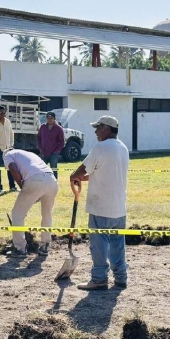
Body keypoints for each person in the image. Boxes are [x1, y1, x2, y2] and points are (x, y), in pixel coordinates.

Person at [69, 115, 130, 291]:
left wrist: (74, 177)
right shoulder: (123, 148)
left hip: (101, 206)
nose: (95, 131)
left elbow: (82, 169)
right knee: (118, 243)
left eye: (98, 127)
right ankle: (120, 278)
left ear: (107, 129)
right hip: (118, 207)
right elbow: (103, 172)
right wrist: (84, 179)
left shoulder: (100, 147)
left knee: (99, 243)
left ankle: (99, 278)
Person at [3, 148, 59, 257]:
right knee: (47, 214)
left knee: (17, 214)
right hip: (52, 180)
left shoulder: (7, 154)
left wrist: (22, 187)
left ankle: (20, 248)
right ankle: (45, 246)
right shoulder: (28, 154)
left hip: (35, 180)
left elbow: (13, 169)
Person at [37, 111, 65, 180]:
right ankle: (42, 182)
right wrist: (40, 148)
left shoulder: (59, 129)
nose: (49, 119)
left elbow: (62, 142)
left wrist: (56, 151)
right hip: (44, 152)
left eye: (51, 118)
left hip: (54, 153)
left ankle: (55, 183)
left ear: (54, 118)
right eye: (47, 118)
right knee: (41, 168)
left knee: (53, 169)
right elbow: (38, 137)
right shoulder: (43, 127)